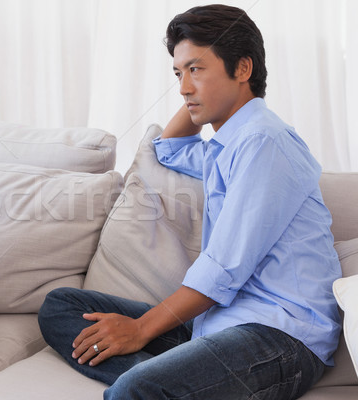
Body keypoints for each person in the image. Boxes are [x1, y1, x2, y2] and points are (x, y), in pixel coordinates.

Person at [38, 5, 341, 399]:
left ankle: (161, 383)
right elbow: (170, 148)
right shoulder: (226, 145)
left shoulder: (265, 141)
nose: (182, 87)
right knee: (60, 306)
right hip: (216, 325)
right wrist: (200, 90)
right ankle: (184, 381)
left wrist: (142, 329)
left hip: (279, 336)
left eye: (196, 69)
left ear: (243, 68)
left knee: (133, 391)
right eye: (178, 73)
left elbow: (223, 269)